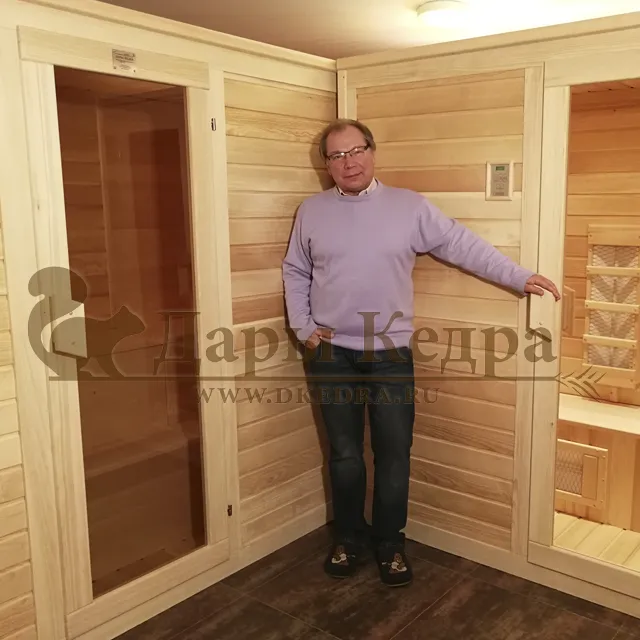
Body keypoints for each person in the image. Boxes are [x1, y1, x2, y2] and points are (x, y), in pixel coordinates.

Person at [281, 118, 560, 587]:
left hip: (390, 354)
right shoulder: (311, 211)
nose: (349, 162)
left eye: (357, 151)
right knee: (345, 454)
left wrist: (517, 275)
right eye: (337, 155)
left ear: (372, 152)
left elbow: (461, 244)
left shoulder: (408, 207)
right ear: (327, 164)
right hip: (331, 354)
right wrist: (303, 326)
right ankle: (349, 539)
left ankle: (390, 544)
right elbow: (295, 270)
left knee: (394, 452)